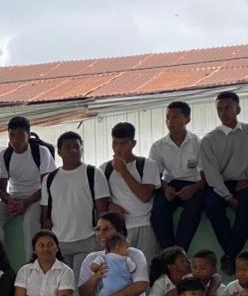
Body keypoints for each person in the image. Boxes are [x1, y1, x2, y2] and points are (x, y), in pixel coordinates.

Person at [42, 131, 109, 276]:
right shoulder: (49, 179)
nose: (73, 150)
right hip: (59, 242)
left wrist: (101, 237)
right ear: (59, 152)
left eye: (76, 147)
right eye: (68, 147)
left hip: (87, 240)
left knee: (82, 284)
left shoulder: (94, 173)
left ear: (82, 149)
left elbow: (102, 210)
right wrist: (48, 242)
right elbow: (45, 215)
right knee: (62, 284)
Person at [0, 115, 55, 262]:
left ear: (28, 135)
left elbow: (46, 186)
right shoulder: (4, 155)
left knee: (30, 222)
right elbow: (1, 190)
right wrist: (10, 201)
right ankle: (0, 261)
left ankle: (30, 262)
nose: (15, 140)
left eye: (20, 135)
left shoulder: (41, 152)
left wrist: (24, 203)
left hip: (36, 197)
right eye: (11, 135)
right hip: (14, 197)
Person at [199, 90, 248, 274]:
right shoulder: (209, 139)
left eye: (228, 108)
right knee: (212, 207)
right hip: (220, 184)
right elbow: (211, 175)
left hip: (244, 182)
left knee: (246, 208)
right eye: (219, 109)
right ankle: (233, 255)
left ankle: (230, 255)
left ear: (238, 109)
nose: (223, 113)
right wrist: (228, 197)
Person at [148, 100, 205, 252]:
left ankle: (180, 251)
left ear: (187, 119)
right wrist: (165, 188)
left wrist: (194, 188)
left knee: (193, 211)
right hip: (170, 184)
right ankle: (169, 253)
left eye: (175, 117)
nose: (170, 122)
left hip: (194, 184)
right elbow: (155, 176)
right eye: (168, 117)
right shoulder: (158, 146)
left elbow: (205, 175)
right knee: (157, 213)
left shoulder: (198, 143)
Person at [100, 122, 161, 260]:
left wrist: (124, 171)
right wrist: (110, 205)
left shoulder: (147, 165)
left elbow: (145, 196)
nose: (118, 148)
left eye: (122, 144)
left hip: (145, 224)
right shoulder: (104, 169)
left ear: (133, 143)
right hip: (118, 229)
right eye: (114, 143)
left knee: (146, 266)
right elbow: (101, 200)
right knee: (120, 267)